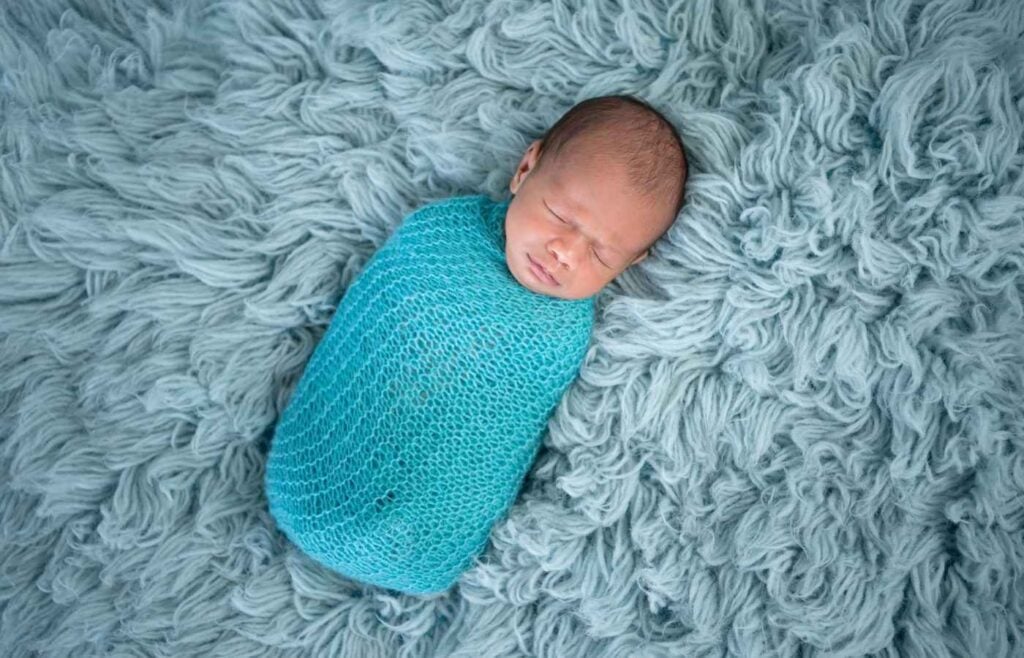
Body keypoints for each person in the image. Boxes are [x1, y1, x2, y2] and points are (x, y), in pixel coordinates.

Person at [504, 94, 688, 300]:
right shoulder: (462, 223)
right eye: (560, 216)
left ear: (628, 264)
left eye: (600, 256)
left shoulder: (566, 327)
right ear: (525, 169)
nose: (566, 255)